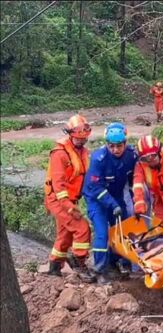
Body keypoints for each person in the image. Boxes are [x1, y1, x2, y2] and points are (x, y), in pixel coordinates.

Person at [82, 122, 138, 285]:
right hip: (96, 199)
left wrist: (136, 200)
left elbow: (133, 180)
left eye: (119, 146)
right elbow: (94, 186)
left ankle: (117, 262)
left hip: (116, 196)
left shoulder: (131, 155)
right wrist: (112, 205)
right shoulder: (99, 158)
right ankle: (99, 269)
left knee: (123, 230)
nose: (115, 150)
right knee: (102, 233)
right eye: (111, 146)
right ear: (106, 144)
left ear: (125, 143)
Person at [43, 114, 95, 283]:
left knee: (64, 236)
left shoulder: (83, 152)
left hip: (71, 200)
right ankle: (79, 263)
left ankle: (54, 267)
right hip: (58, 200)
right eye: (78, 139)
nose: (81, 142)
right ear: (70, 135)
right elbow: (58, 185)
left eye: (84, 139)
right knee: (82, 228)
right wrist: (68, 205)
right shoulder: (60, 154)